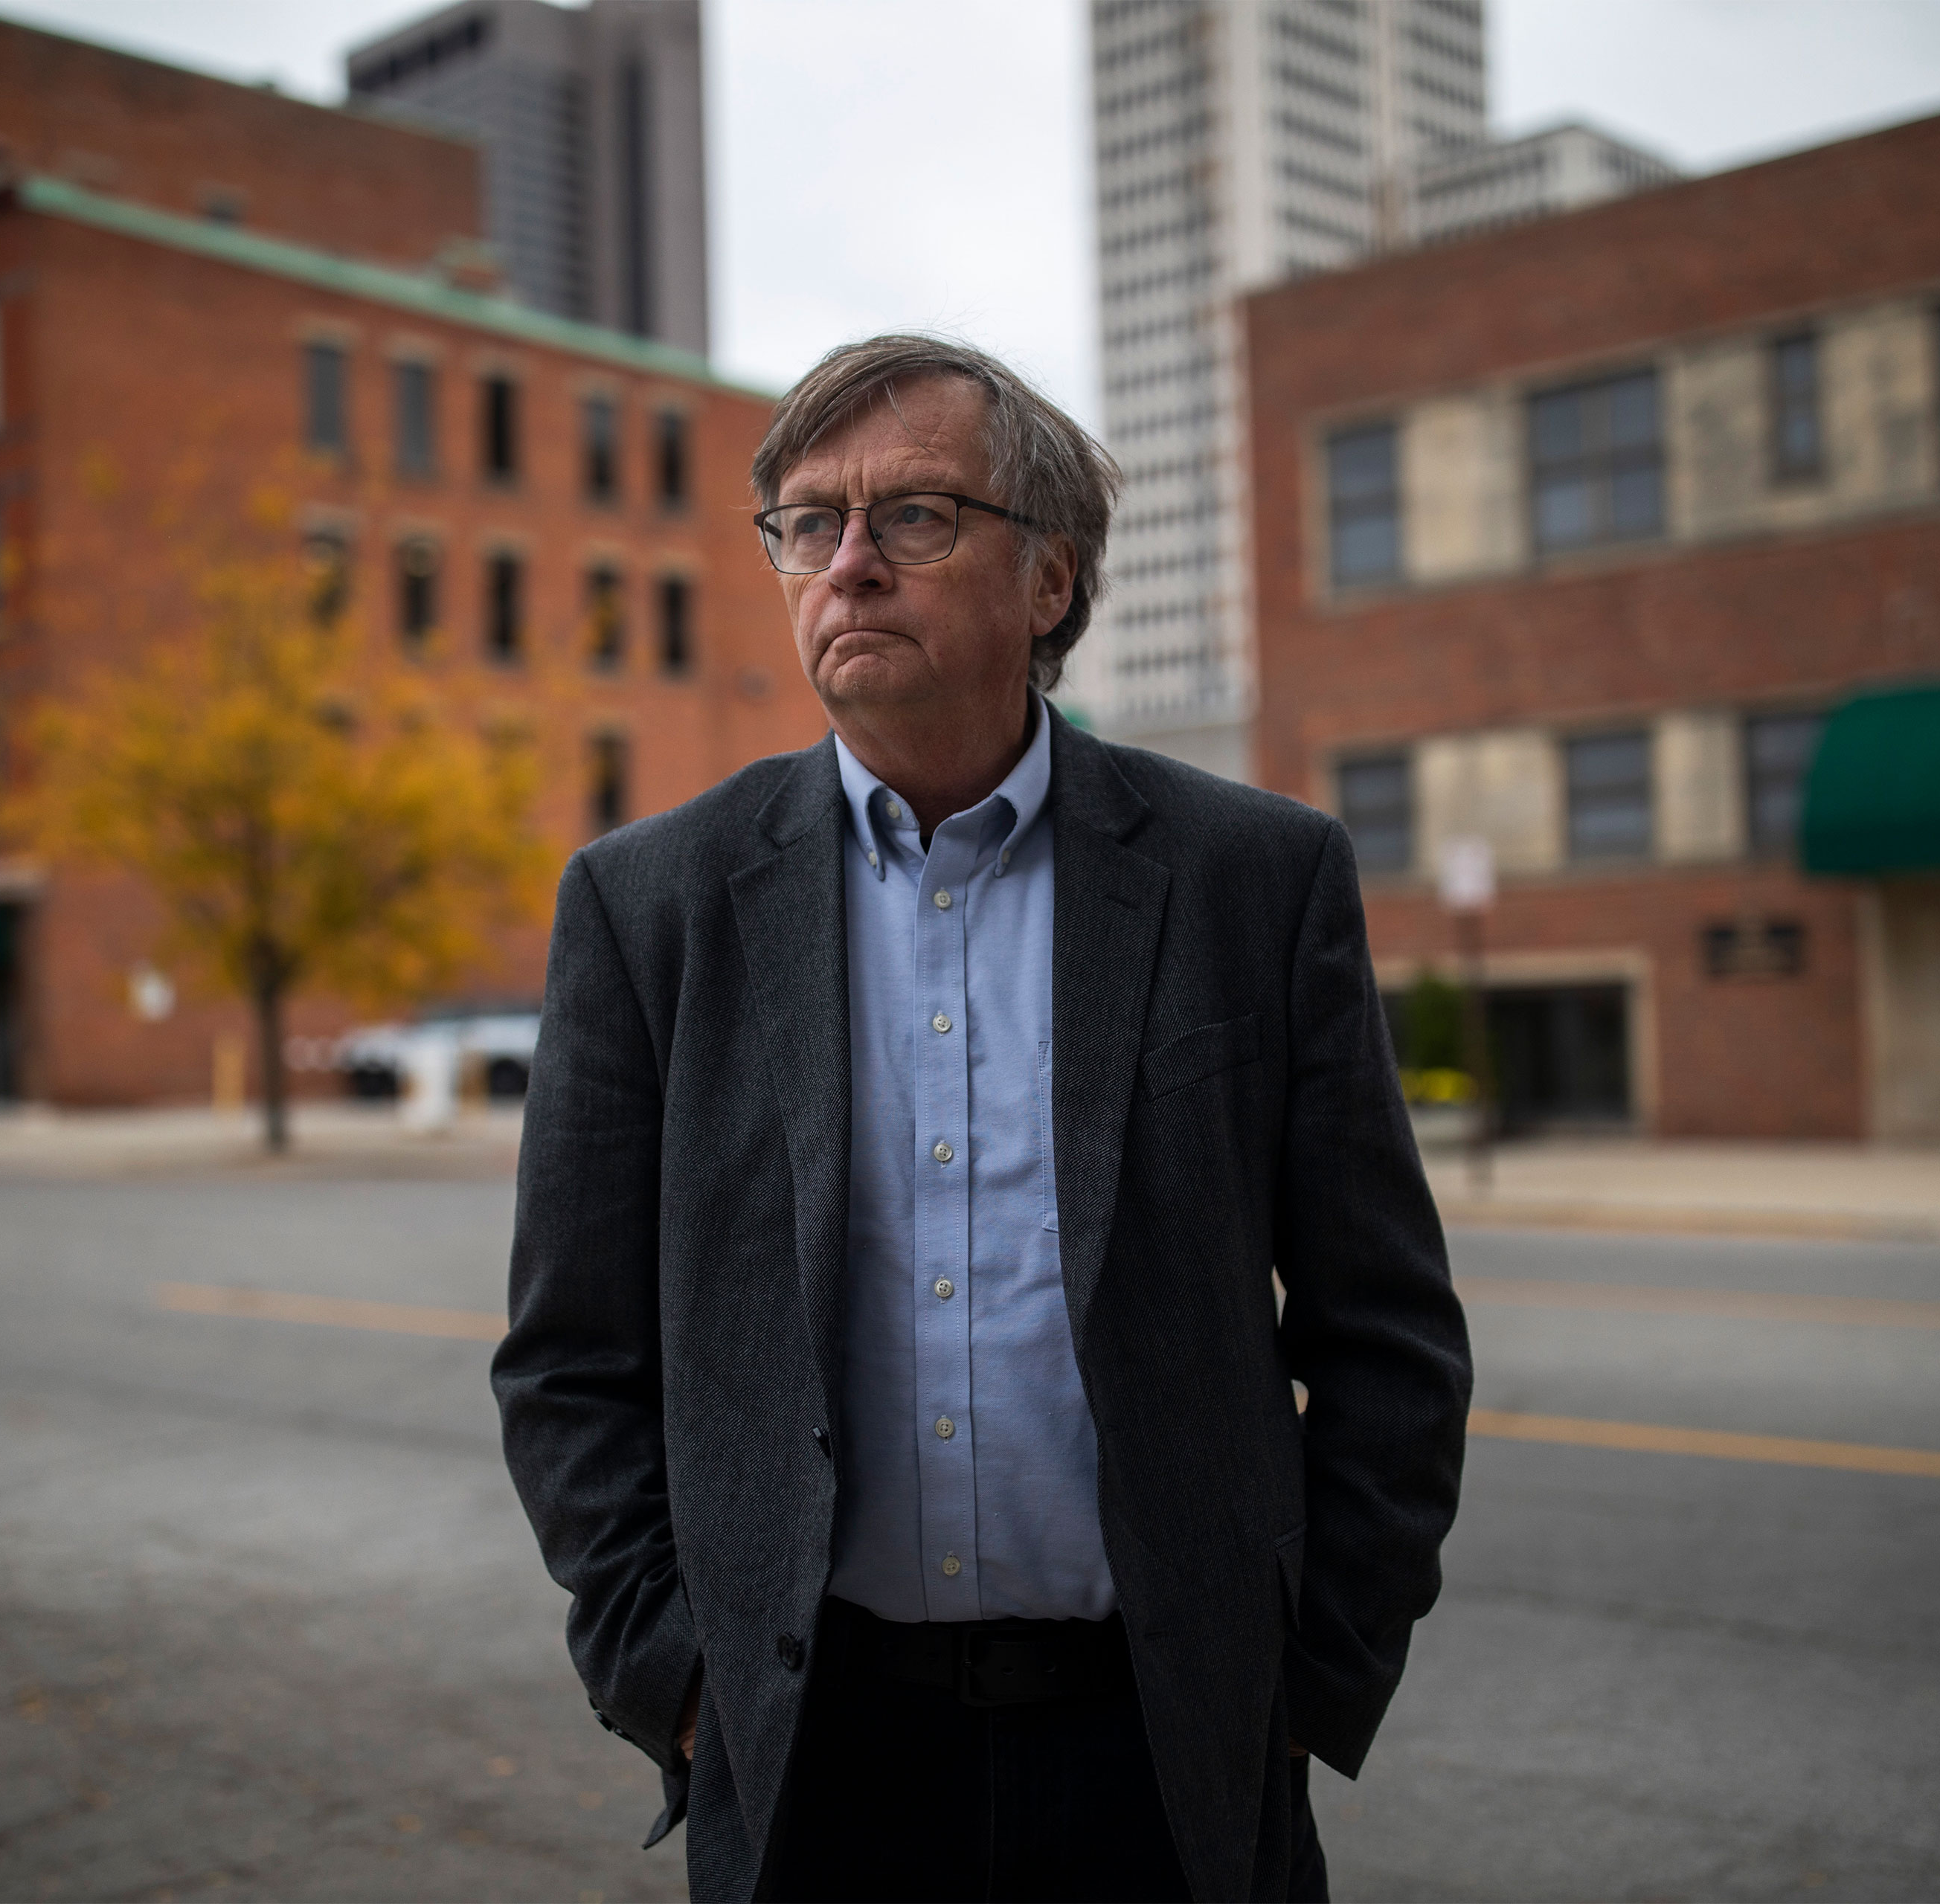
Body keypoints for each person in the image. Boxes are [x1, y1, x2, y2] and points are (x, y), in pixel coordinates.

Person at [494, 334, 1470, 1903]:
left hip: (1167, 1750)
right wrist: (671, 1678)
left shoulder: (1253, 879)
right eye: (808, 525)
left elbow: (1387, 1332)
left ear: (1049, 579)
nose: (849, 564)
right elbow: (570, 1356)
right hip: (812, 1758)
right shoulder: (649, 904)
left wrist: (1310, 1680)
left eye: (916, 515)